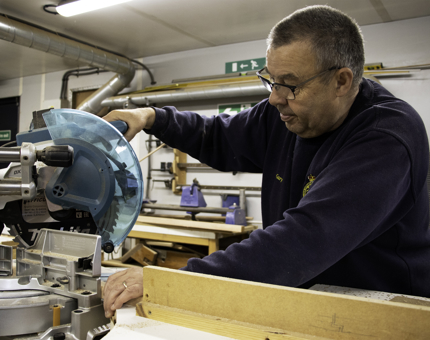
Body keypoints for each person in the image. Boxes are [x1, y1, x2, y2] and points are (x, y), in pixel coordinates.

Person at [102, 5, 430, 318]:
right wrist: (151, 116)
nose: (275, 98)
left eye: (290, 84)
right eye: (270, 80)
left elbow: (304, 241)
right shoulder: (284, 115)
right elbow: (216, 136)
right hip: (305, 297)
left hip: (381, 311)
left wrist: (173, 280)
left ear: (341, 81)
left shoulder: (385, 136)